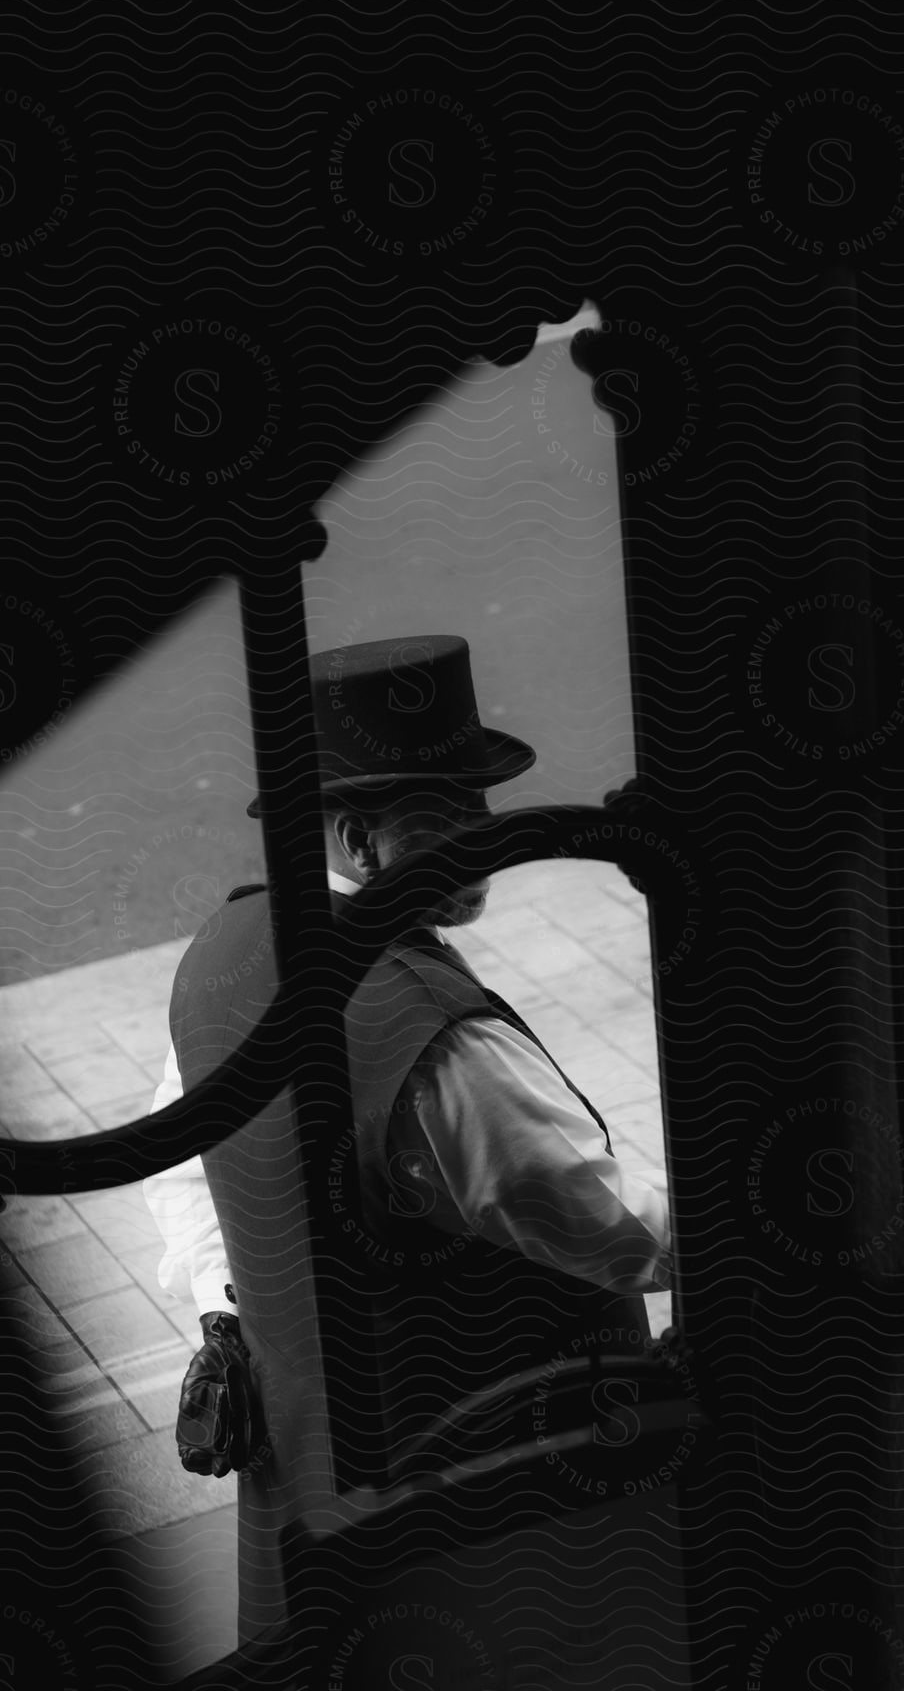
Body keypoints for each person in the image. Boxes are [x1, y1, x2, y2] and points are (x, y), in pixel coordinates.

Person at [142, 634, 672, 1643]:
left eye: (478, 803)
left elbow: (181, 1157)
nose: (483, 835)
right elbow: (616, 1232)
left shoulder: (225, 952)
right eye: (447, 812)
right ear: (352, 837)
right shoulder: (429, 1029)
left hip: (311, 1457)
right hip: (492, 1475)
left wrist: (237, 1308)